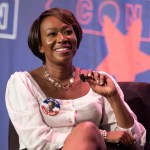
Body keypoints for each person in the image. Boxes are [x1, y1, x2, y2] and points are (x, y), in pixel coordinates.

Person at [5, 7, 146, 150]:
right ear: (40, 45)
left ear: (76, 39)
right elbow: (38, 141)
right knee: (87, 130)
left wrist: (113, 96)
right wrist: (100, 134)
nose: (62, 38)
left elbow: (134, 140)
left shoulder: (99, 81)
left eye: (68, 32)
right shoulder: (23, 83)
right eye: (52, 34)